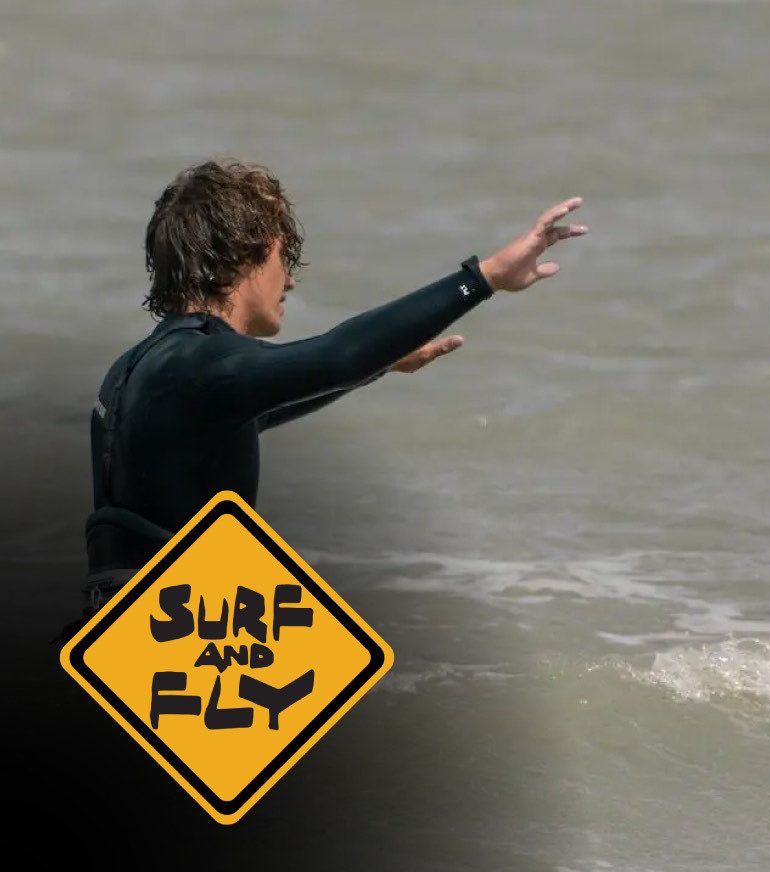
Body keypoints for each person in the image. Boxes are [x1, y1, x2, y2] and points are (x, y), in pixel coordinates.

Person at [81, 159, 587, 615]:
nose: (291, 281)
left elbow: (271, 402)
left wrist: (379, 366)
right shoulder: (199, 363)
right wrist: (484, 278)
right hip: (174, 643)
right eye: (285, 258)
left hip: (128, 638)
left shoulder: (138, 371)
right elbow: (336, 355)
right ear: (244, 256)